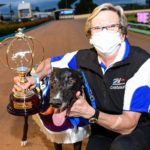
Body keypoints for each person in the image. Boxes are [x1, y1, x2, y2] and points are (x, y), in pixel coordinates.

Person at [13, 3, 150, 150]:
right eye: (97, 28)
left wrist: (90, 113)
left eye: (111, 26)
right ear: (90, 36)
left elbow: (128, 125)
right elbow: (48, 64)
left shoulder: (141, 63)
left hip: (138, 128)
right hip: (102, 128)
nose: (104, 32)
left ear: (123, 33)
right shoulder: (82, 57)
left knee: (122, 146)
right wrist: (35, 77)